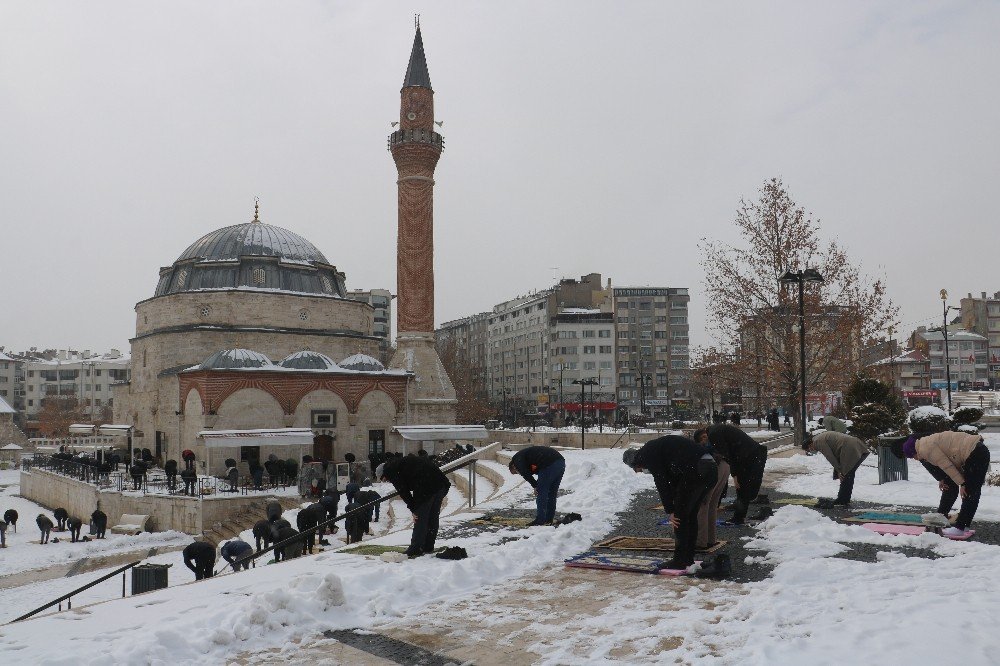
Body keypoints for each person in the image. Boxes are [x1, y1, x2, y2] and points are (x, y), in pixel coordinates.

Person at [622, 435, 718, 569]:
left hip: (697, 469)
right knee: (690, 516)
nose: (638, 472)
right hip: (711, 468)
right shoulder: (657, 451)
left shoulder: (647, 454)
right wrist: (675, 502)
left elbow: (662, 482)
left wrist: (671, 510)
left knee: (679, 517)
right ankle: (688, 558)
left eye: (636, 470)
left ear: (635, 463)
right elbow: (674, 481)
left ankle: (680, 561)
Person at [900, 431, 990, 537]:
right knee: (972, 492)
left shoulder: (925, 449)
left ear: (913, 452)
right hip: (978, 450)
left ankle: (960, 528)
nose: (915, 459)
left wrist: (963, 483)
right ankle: (964, 526)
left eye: (912, 457)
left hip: (974, 453)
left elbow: (947, 466)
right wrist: (949, 479)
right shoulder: (925, 443)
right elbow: (953, 461)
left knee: (969, 492)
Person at [377, 455, 451, 558]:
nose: (386, 481)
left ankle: (416, 548)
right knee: (432, 517)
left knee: (420, 518)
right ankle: (428, 546)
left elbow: (403, 491)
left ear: (384, 473)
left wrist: (414, 510)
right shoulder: (398, 464)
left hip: (426, 485)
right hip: (440, 483)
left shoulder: (391, 470)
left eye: (384, 479)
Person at [707, 423, 768, 525]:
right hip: (754, 453)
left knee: (742, 488)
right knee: (746, 488)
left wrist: (735, 475)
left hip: (748, 457)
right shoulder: (719, 429)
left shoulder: (714, 434)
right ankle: (739, 507)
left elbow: (728, 455)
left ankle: (739, 517)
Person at [803, 430, 869, 507]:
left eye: (809, 449)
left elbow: (830, 456)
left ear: (810, 444)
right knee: (848, 473)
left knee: (846, 474)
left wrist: (839, 471)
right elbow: (835, 454)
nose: (811, 451)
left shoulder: (818, 442)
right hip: (853, 444)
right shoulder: (817, 438)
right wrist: (838, 471)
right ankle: (844, 498)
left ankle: (842, 500)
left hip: (849, 447)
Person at [508, 446, 567, 526]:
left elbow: (525, 473)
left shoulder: (517, 460)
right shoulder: (524, 457)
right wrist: (537, 485)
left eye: (516, 472)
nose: (518, 473)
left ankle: (540, 520)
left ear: (513, 466)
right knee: (551, 493)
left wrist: (535, 486)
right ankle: (548, 519)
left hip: (549, 463)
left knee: (541, 492)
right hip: (560, 463)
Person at [692, 428, 728, 550]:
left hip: (714, 467)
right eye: (703, 437)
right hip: (722, 465)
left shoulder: (703, 448)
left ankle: (701, 541)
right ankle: (710, 539)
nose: (705, 438)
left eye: (706, 436)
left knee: (703, 505)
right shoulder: (713, 446)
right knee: (711, 505)